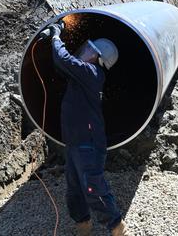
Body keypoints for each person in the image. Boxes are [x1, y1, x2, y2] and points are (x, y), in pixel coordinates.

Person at [44, 22, 130, 236]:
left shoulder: (91, 73)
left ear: (98, 58)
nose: (86, 51)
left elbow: (63, 59)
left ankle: (117, 226)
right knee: (74, 189)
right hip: (75, 142)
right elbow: (61, 66)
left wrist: (56, 36)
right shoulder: (81, 76)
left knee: (92, 187)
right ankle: (83, 225)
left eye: (91, 50)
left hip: (88, 143)